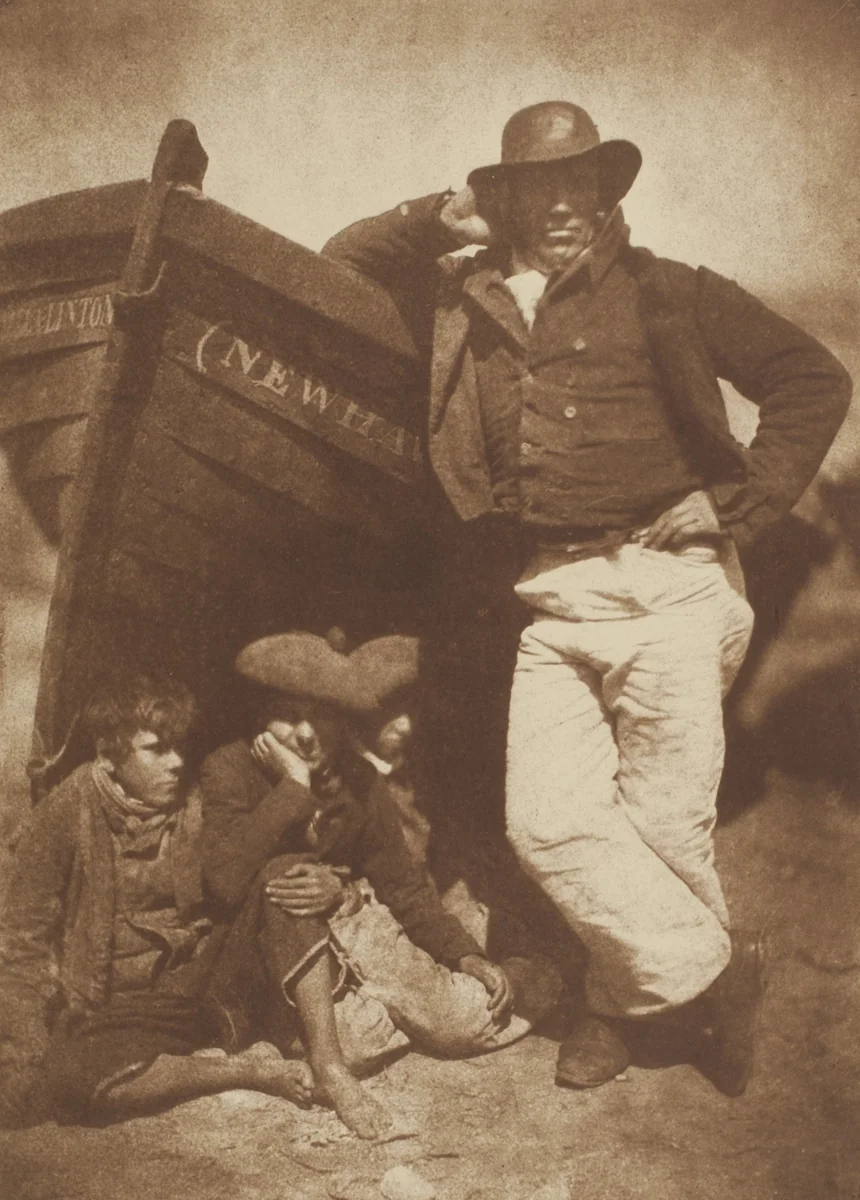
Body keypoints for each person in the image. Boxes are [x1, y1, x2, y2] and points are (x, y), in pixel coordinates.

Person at [323, 101, 852, 1095]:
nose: (565, 203)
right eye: (540, 185)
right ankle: (712, 976)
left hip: (670, 586)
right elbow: (340, 269)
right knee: (550, 820)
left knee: (660, 819)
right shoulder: (461, 297)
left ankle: (616, 1012)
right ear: (506, 199)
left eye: (582, 183)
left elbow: (809, 378)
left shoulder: (670, 291)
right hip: (550, 590)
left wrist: (730, 505)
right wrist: (431, 215)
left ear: (604, 194)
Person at [199, 631, 558, 1139]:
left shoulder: (357, 780)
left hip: (345, 937)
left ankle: (532, 973)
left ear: (343, 723)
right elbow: (224, 883)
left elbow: (405, 886)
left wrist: (464, 956)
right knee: (292, 891)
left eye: (321, 715)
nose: (304, 734)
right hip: (262, 958)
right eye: (287, 713)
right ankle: (341, 1057)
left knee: (460, 1023)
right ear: (260, 718)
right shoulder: (228, 769)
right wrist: (293, 787)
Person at [0, 674, 313, 1128]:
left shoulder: (197, 801)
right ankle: (244, 1070)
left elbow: (253, 862)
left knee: (274, 878)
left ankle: (244, 1049)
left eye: (180, 747)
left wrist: (329, 869)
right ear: (108, 755)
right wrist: (23, 1058)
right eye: (157, 749)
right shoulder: (68, 810)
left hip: (199, 985)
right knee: (71, 1078)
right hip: (113, 1006)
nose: (177, 762)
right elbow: (22, 945)